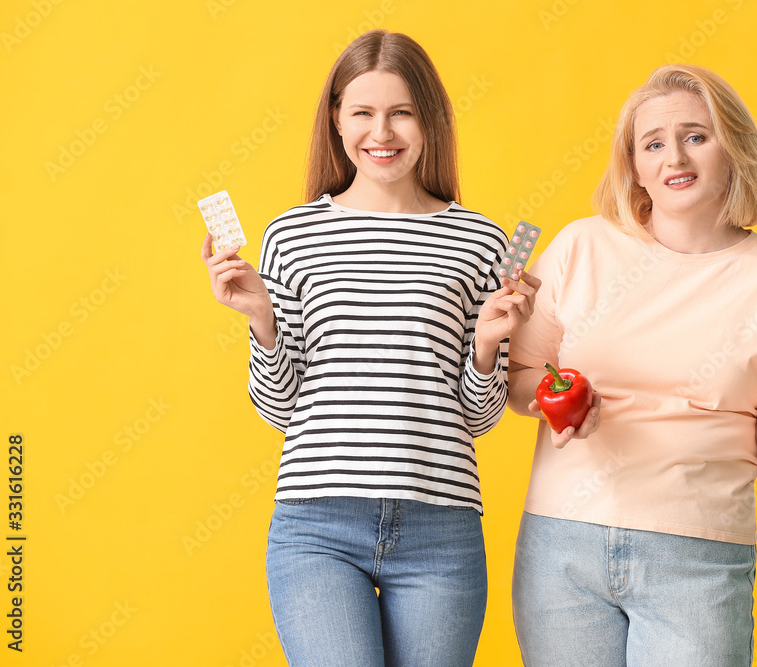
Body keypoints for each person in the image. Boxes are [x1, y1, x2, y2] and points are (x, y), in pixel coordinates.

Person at [506, 64, 757, 666]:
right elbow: (521, 376)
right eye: (652, 144)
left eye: (696, 135)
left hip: (698, 558)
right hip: (563, 545)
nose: (674, 158)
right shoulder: (580, 246)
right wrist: (560, 403)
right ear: (633, 165)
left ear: (732, 147)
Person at [201, 30, 539, 667]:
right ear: (335, 120)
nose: (381, 132)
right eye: (362, 112)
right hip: (316, 526)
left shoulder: (481, 242)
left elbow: (478, 418)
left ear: (430, 121)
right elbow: (279, 406)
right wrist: (262, 320)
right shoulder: (290, 235)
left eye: (402, 111)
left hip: (441, 528)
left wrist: (490, 346)